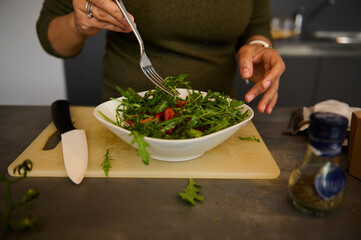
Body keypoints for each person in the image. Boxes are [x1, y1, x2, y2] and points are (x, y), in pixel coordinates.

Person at [36, 0, 285, 114]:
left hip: (216, 118)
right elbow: (52, 39)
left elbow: (258, 24)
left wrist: (257, 45)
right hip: (125, 116)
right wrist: (79, 24)